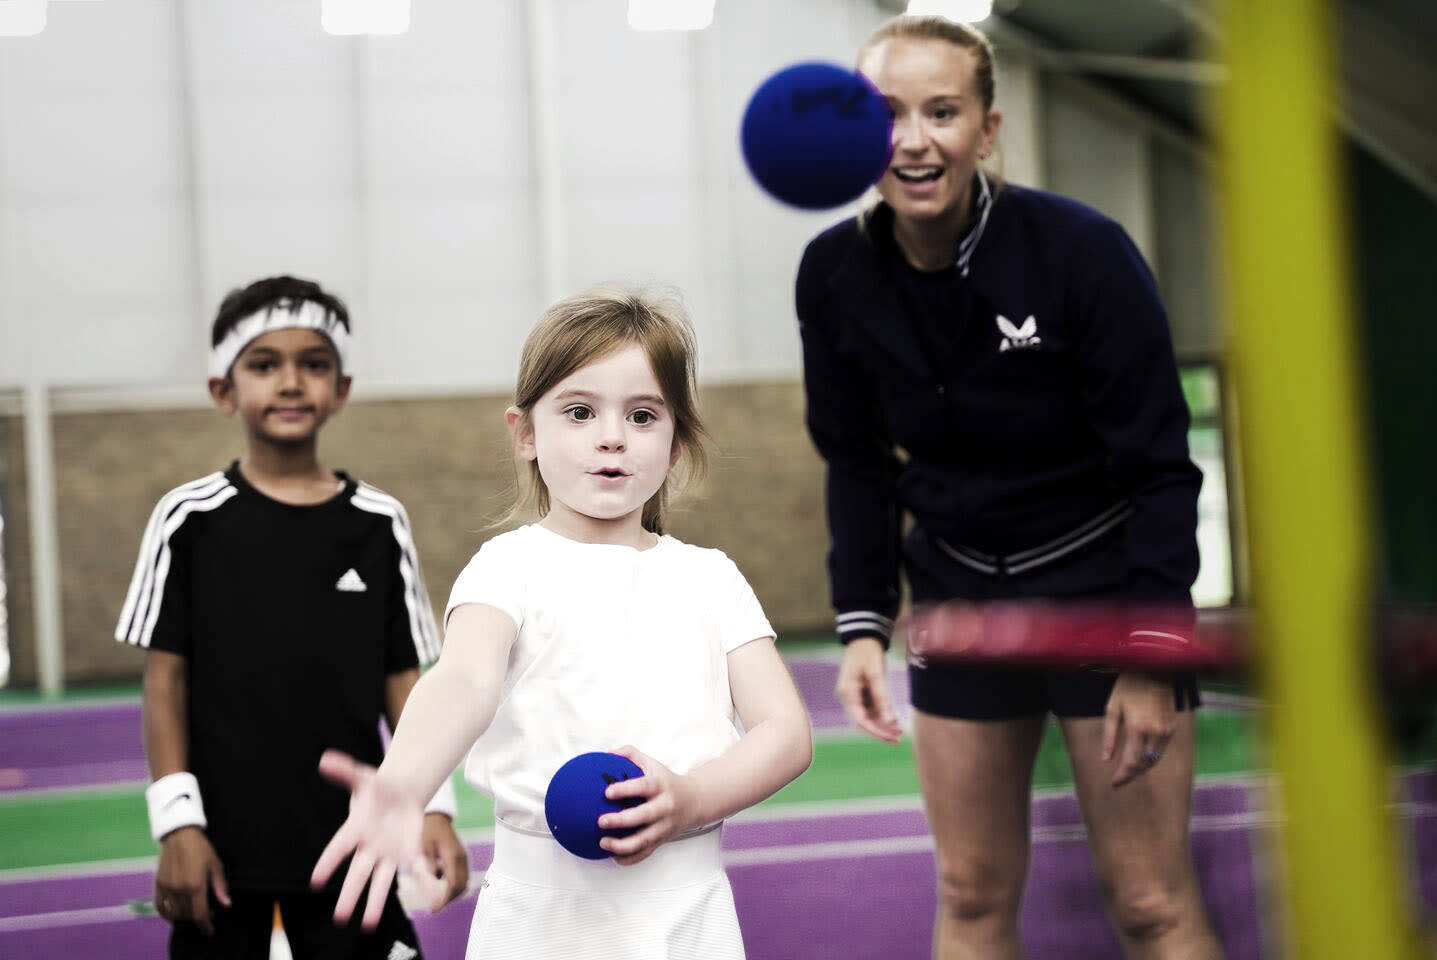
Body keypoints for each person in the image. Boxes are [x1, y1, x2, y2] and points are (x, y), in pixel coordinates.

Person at [794, 15, 1225, 960]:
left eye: (942, 112)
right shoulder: (832, 274)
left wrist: (1152, 654)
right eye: (887, 115)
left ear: (986, 131)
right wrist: (863, 623)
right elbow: (858, 462)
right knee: (971, 889)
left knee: (1150, 900)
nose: (912, 139)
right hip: (959, 601)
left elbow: (1158, 467)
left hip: (1104, 598)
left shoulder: (1082, 253)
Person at [309, 285, 813, 958]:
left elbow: (784, 732)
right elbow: (464, 680)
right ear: (524, 434)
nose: (611, 437)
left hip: (686, 914)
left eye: (642, 416)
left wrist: (690, 797)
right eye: (579, 411)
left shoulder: (709, 578)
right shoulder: (505, 568)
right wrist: (405, 782)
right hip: (536, 918)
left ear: (675, 444)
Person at [116, 276, 468, 959]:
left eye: (313, 364)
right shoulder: (188, 520)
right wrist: (177, 827)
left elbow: (406, 684)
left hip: (353, 845)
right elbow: (165, 686)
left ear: (340, 389)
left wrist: (435, 806)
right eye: (263, 364)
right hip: (221, 854)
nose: (289, 382)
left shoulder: (379, 523)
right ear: (223, 390)